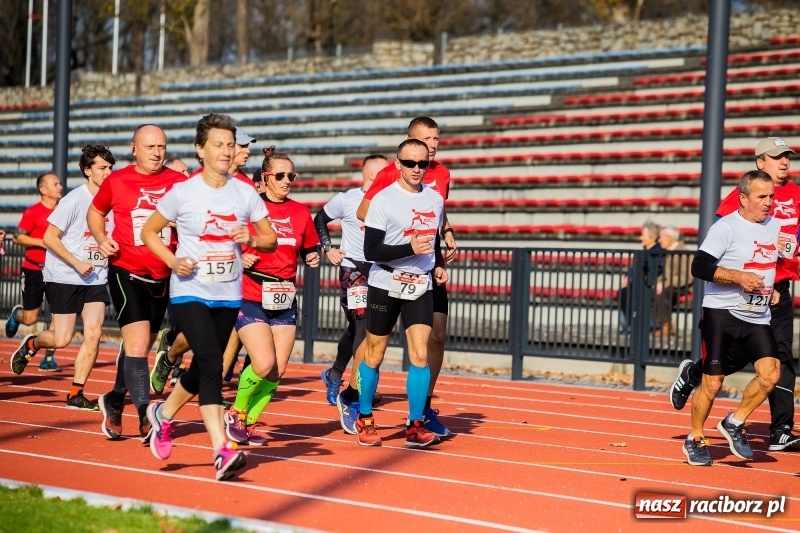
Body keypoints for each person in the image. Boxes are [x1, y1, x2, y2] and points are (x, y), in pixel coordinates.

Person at [142, 113, 276, 480]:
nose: (225, 150)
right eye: (218, 144)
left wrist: (249, 237)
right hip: (189, 292)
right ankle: (222, 450)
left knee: (203, 366)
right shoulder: (183, 192)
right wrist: (173, 260)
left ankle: (163, 415)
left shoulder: (245, 191)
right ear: (200, 149)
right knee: (213, 363)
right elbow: (150, 232)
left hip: (228, 294)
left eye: (230, 144)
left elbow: (270, 238)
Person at [670, 136, 800, 452]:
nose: (784, 162)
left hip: (771, 296)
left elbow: (786, 244)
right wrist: (740, 277)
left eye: (787, 156)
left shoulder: (791, 201)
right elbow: (710, 257)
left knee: (777, 364)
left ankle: (774, 428)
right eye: (776, 156)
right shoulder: (735, 210)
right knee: (718, 374)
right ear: (760, 163)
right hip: (728, 302)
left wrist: (771, 284)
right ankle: (695, 416)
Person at [351, 116, 457, 438]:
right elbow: (371, 250)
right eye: (410, 162)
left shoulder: (436, 199)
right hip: (385, 281)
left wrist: (437, 263)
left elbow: (432, 239)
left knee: (421, 353)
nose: (416, 168)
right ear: (398, 164)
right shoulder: (383, 200)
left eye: (422, 164)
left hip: (420, 283)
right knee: (375, 352)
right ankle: (365, 416)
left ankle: (415, 424)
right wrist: (407, 246)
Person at [89, 124, 187, 442]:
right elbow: (95, 212)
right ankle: (147, 416)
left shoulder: (179, 182)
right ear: (134, 148)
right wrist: (102, 237)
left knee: (141, 348)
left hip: (162, 277)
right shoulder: (117, 181)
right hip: (126, 271)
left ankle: (115, 400)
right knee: (139, 346)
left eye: (162, 146)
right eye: (150, 147)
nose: (157, 153)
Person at [681, 170, 782, 466]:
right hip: (721, 312)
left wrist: (771, 289)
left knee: (771, 374)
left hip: (757, 314)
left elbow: (763, 264)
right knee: (713, 384)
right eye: (761, 197)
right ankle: (695, 438)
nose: (768, 203)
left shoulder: (774, 227)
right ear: (743, 198)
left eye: (771, 196)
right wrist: (737, 277)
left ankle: (735, 422)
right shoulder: (725, 227)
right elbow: (698, 267)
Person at [148, 126, 259, 394]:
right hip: (196, 277)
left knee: (226, 334)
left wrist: (249, 250)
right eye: (239, 146)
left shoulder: (245, 187)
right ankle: (171, 355)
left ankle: (214, 386)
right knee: (201, 335)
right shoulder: (194, 182)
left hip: (230, 277)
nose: (244, 151)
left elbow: (252, 228)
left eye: (241, 146)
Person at [222, 146, 320, 446]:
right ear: (264, 179)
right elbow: (220, 242)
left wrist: (313, 255)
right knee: (262, 363)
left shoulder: (301, 212)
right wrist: (239, 256)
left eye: (292, 175)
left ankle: (249, 423)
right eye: (280, 175)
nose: (287, 180)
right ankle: (236, 413)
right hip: (250, 291)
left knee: (277, 369)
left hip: (284, 294)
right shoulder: (247, 208)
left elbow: (308, 247)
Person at [10, 146, 115, 410]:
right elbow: (48, 238)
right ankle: (32, 343)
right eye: (102, 168)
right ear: (88, 171)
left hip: (96, 278)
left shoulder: (114, 199)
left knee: (93, 334)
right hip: (65, 275)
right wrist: (77, 263)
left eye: (110, 167)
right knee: (62, 339)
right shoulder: (74, 200)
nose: (108, 172)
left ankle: (76, 394)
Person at [316, 154, 387, 406]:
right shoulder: (347, 199)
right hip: (353, 269)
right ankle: (356, 390)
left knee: (360, 328)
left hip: (380, 271)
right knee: (363, 326)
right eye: (385, 171)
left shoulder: (389, 200)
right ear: (371, 175)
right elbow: (320, 219)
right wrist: (328, 248)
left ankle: (334, 374)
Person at [6, 172, 63, 372]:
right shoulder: (33, 212)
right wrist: (41, 242)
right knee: (31, 318)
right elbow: (17, 238)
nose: (60, 187)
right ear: (43, 189)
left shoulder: (64, 210)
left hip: (57, 272)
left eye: (60, 184)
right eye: (55, 184)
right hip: (33, 270)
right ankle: (16, 315)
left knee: (59, 317)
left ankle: (48, 358)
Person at [617, 220, 663, 334]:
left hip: (645, 284)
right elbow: (633, 269)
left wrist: (632, 279)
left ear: (652, 237)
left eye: (643, 235)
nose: (640, 238)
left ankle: (633, 324)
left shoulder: (657, 253)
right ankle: (628, 324)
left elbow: (655, 270)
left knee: (628, 293)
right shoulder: (644, 251)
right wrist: (627, 277)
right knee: (623, 292)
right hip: (637, 283)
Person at [652, 226, 693, 337]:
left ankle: (667, 326)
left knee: (664, 292)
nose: (659, 240)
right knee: (651, 290)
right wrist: (657, 283)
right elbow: (665, 274)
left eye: (661, 237)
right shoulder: (670, 252)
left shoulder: (683, 252)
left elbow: (687, 277)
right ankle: (655, 325)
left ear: (670, 238)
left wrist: (665, 283)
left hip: (684, 286)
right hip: (673, 284)